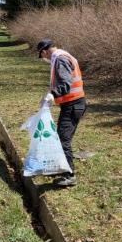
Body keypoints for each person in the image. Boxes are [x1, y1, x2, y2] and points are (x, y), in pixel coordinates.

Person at [37, 39, 86, 187]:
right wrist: (49, 94)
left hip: (73, 105)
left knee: (63, 140)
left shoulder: (60, 59)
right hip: (73, 104)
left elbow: (65, 83)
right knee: (62, 138)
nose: (44, 58)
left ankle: (69, 176)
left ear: (44, 51)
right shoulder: (62, 55)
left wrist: (53, 94)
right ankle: (62, 167)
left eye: (42, 56)